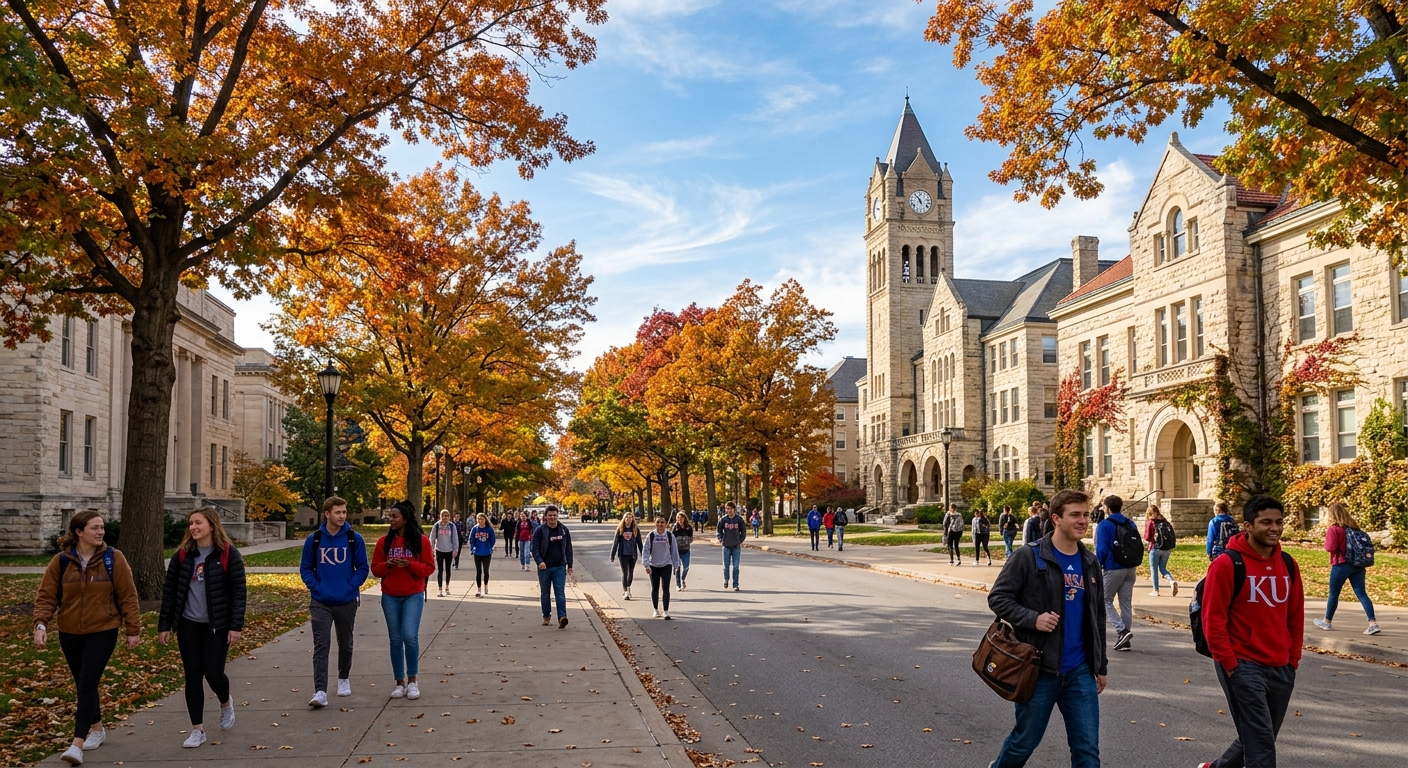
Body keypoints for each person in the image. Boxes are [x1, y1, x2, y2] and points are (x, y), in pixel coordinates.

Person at [988, 489, 1107, 767]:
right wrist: (1033, 618)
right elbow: (998, 598)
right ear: (1056, 518)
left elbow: (1097, 616)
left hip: (1079, 671)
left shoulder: (1090, 562)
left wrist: (1101, 666)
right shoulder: (1028, 557)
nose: (1082, 521)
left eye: (1086, 515)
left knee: (1087, 750)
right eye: (1075, 515)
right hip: (1038, 669)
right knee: (1024, 742)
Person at [1199, 496, 1305, 768]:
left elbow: (1294, 616)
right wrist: (1231, 664)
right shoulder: (1226, 564)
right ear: (1247, 525)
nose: (1275, 528)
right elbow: (1213, 619)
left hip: (1281, 665)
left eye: (1279, 522)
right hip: (1242, 664)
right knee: (1260, 744)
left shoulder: (1289, 565)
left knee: (1261, 736)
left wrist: (1293, 658)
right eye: (1266, 522)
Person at [33, 511, 142, 766]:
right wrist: (40, 624)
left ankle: (77, 744)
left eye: (102, 527)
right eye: (95, 528)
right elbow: (47, 596)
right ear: (79, 532)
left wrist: (133, 629)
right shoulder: (61, 561)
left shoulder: (113, 558)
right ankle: (97, 729)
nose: (101, 532)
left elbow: (128, 595)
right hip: (69, 632)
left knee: (86, 682)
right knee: (84, 683)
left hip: (103, 629)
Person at [157, 507, 247, 749]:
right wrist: (164, 625)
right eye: (190, 523)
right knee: (192, 675)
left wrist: (235, 626)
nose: (193, 527)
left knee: (213, 672)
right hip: (188, 624)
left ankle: (225, 702)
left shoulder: (228, 554)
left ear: (211, 525)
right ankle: (197, 729)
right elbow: (170, 592)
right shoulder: (183, 555)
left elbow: (239, 593)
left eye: (198, 522)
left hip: (217, 625)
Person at [299, 496, 370, 708]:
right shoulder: (315, 539)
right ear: (327, 513)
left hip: (346, 600)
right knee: (321, 645)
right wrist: (316, 586)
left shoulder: (353, 538)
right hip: (320, 600)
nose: (342, 516)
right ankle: (320, 690)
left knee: (345, 642)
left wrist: (350, 586)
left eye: (344, 512)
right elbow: (305, 568)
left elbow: (363, 568)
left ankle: (343, 678)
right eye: (338, 512)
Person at [369, 501, 434, 701]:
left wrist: (410, 564)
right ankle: (399, 682)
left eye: (394, 516)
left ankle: (413, 680)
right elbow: (375, 569)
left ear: (405, 519)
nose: (391, 519)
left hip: (413, 594)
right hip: (390, 596)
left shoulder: (421, 541)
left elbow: (429, 568)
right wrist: (387, 565)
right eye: (390, 516)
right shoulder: (383, 542)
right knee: (395, 640)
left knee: (410, 636)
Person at [1314, 502, 1380, 635]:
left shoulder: (1334, 529)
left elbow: (1330, 548)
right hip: (1358, 566)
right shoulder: (1355, 529)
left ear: (1332, 514)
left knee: (1334, 594)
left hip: (1341, 564)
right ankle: (1373, 623)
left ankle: (1327, 622)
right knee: (1361, 593)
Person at [1094, 495, 1139, 652]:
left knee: (1105, 600)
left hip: (1113, 567)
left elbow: (1102, 548)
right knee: (1125, 602)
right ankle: (1125, 640)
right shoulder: (1130, 523)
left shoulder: (1105, 524)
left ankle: (1122, 631)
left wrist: (1098, 564)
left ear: (1107, 508)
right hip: (1130, 566)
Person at [530, 506, 574, 628]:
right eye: (550, 515)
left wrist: (569, 565)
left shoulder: (563, 530)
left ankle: (562, 617)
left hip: (559, 567)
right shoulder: (540, 530)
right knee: (545, 593)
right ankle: (546, 616)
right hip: (544, 568)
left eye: (554, 515)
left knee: (560, 592)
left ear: (557, 515)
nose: (552, 517)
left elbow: (569, 548)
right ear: (545, 516)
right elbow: (534, 548)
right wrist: (539, 562)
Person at [643, 516, 682, 619]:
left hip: (666, 565)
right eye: (658, 522)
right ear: (655, 524)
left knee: (666, 588)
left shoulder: (669, 536)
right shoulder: (651, 536)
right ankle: (656, 610)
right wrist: (646, 564)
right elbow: (646, 550)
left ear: (665, 524)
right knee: (655, 588)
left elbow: (674, 550)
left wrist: (675, 564)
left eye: (662, 522)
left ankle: (666, 611)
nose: (660, 524)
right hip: (653, 566)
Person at [1143, 505, 1179, 598]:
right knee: (1163, 569)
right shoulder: (1165, 521)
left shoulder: (1151, 522)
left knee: (1154, 570)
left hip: (1155, 548)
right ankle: (1171, 581)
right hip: (1166, 549)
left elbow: (1147, 537)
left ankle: (1156, 590)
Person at [610, 512, 643, 600]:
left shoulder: (635, 529)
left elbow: (640, 543)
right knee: (625, 572)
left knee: (631, 571)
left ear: (632, 519)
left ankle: (628, 587)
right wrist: (612, 555)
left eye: (630, 518)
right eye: (627, 518)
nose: (628, 519)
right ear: (624, 519)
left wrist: (643, 555)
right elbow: (615, 542)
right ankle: (625, 591)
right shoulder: (620, 529)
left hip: (632, 554)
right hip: (623, 554)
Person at [718, 502, 747, 591]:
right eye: (727, 509)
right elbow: (719, 531)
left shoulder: (739, 519)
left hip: (736, 546)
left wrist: (740, 540)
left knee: (736, 566)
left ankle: (735, 584)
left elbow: (743, 531)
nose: (729, 510)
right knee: (726, 566)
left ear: (734, 509)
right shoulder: (723, 520)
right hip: (726, 546)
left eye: (730, 509)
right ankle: (726, 580)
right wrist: (721, 540)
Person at [430, 510, 459, 597]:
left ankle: (447, 587)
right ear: (440, 516)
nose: (445, 517)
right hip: (439, 550)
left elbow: (455, 539)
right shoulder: (437, 526)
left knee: (448, 570)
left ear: (449, 517)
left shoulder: (451, 526)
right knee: (440, 570)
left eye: (446, 515)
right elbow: (432, 538)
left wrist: (455, 550)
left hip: (449, 550)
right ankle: (440, 589)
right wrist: (431, 549)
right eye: (443, 515)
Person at [468, 512, 496, 597]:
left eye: (482, 519)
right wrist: (472, 548)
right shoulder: (474, 529)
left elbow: (493, 540)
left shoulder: (489, 529)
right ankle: (479, 589)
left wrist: (490, 547)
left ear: (485, 520)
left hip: (487, 552)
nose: (480, 521)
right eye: (478, 519)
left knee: (486, 571)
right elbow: (471, 539)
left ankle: (486, 586)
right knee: (478, 571)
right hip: (477, 553)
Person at [673, 512, 694, 591]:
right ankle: (678, 584)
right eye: (678, 518)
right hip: (677, 551)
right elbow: (672, 537)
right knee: (677, 568)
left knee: (686, 567)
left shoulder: (688, 527)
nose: (680, 519)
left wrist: (687, 542)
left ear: (684, 518)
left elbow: (691, 537)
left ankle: (682, 579)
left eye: (681, 518)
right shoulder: (675, 527)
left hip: (686, 550)